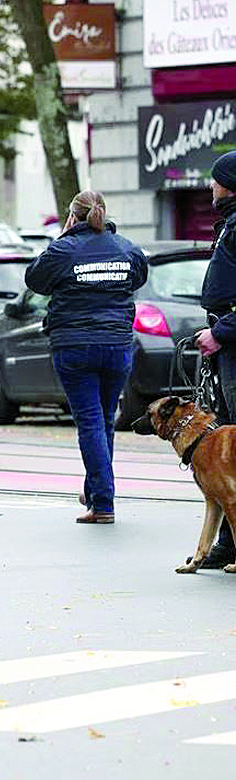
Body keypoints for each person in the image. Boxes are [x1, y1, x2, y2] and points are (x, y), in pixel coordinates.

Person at [24, 191, 148, 524]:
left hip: (75, 346)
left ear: (72, 217)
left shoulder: (63, 249)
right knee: (104, 419)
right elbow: (139, 277)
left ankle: (103, 502)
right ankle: (96, 490)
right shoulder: (127, 248)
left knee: (91, 421)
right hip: (118, 345)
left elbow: (34, 279)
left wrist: (63, 237)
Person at [191, 150, 236, 564]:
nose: (211, 185)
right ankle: (227, 542)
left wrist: (222, 331)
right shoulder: (230, 223)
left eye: (215, 179)